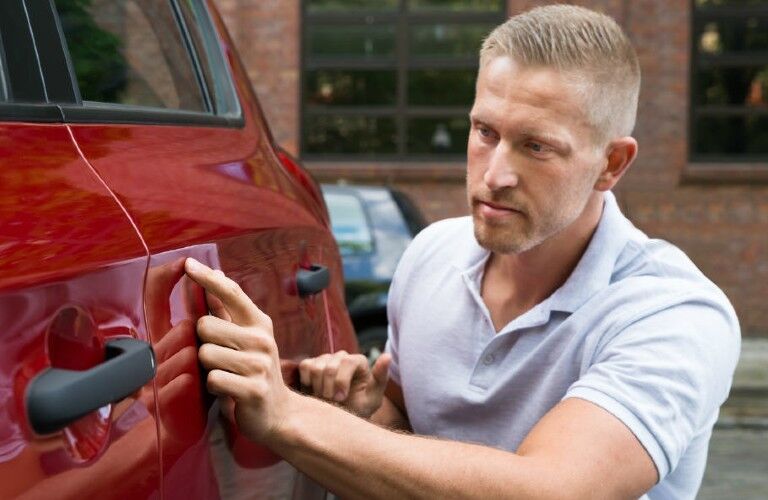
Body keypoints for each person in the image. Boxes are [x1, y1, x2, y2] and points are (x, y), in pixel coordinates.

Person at [184, 5, 740, 499]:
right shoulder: (431, 254)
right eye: (485, 131)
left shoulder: (673, 314)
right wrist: (363, 413)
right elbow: (410, 428)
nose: (495, 175)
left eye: (536, 146)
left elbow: (553, 490)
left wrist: (288, 416)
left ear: (612, 164)